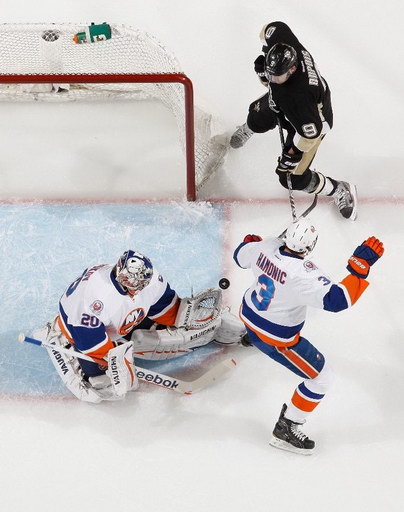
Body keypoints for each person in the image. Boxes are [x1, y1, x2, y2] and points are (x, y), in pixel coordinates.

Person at [233, 219, 384, 454]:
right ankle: (287, 427)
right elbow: (338, 301)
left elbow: (240, 255)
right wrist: (360, 266)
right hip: (275, 338)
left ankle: (251, 337)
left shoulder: (265, 247)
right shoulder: (303, 274)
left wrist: (252, 241)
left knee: (259, 327)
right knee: (322, 378)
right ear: (310, 247)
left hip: (248, 315)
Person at [33, 250, 245, 403]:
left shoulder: (151, 281)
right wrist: (114, 361)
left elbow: (164, 305)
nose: (133, 286)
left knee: (151, 330)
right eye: (127, 280)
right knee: (103, 383)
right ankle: (59, 335)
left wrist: (184, 317)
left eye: (138, 283)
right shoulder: (97, 296)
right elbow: (87, 338)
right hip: (79, 331)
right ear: (119, 271)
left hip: (120, 321)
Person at [230, 21, 357, 221]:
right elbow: (270, 29)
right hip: (286, 104)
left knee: (292, 178)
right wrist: (266, 67)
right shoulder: (282, 41)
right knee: (257, 116)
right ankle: (249, 128)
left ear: (293, 69)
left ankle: (339, 189)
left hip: (312, 123)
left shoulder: (299, 97)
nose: (272, 78)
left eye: (277, 76)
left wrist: (292, 154)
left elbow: (309, 135)